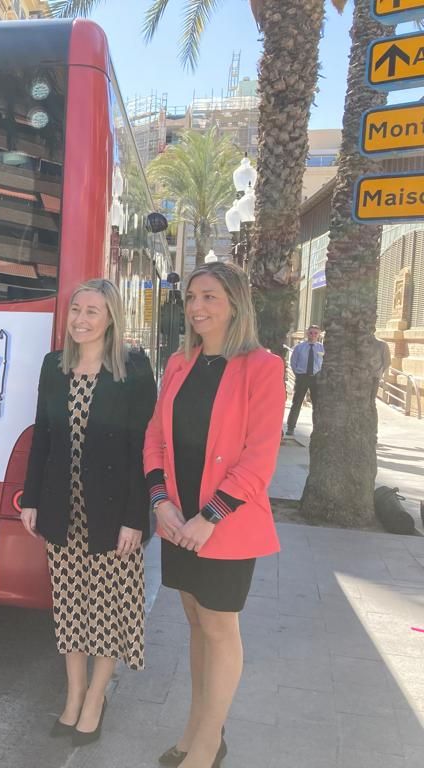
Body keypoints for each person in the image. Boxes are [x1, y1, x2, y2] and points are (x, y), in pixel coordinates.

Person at [144, 262, 285, 768]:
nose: (198, 307)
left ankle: (206, 748)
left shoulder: (263, 367)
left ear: (235, 302)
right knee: (195, 622)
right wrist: (161, 502)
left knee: (220, 627)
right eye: (191, 298)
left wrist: (210, 515)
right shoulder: (181, 363)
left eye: (209, 297)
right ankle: (199, 728)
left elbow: (260, 457)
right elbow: (155, 437)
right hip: (178, 522)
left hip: (225, 526)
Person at [19, 279, 156, 747]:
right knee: (71, 608)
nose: (81, 319)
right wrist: (30, 497)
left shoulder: (134, 370)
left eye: (92, 311)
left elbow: (145, 449)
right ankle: (73, 695)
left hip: (114, 514)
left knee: (109, 610)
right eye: (76, 309)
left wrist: (138, 518)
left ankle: (96, 698)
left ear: (111, 317)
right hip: (63, 508)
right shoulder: (53, 367)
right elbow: (44, 436)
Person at [285, 325, 323, 435]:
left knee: (317, 404)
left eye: (316, 333)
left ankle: (317, 429)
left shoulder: (321, 348)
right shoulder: (299, 347)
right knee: (297, 402)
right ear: (307, 333)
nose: (313, 335)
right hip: (302, 377)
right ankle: (290, 427)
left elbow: (324, 362)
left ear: (319, 335)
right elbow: (293, 361)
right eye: (311, 333)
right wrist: (298, 373)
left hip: (316, 377)